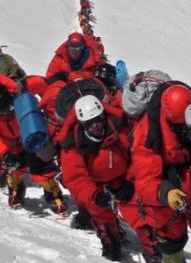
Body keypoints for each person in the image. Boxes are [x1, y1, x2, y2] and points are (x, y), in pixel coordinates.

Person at [0, 56, 67, 213]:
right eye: (3, 111)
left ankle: (53, 195)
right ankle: (15, 191)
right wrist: (4, 154)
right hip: (9, 143)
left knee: (41, 166)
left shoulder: (21, 87)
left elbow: (46, 85)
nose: (8, 112)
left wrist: (50, 106)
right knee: (16, 166)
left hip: (31, 131)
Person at [131, 81, 191, 262]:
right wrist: (166, 192)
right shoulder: (147, 135)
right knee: (171, 241)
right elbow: (145, 182)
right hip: (166, 196)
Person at [60, 96, 135, 261]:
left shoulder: (118, 130)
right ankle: (111, 245)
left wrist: (131, 180)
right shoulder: (73, 144)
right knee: (101, 214)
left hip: (121, 179)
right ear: (81, 123)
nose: (95, 125)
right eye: (89, 122)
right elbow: (76, 178)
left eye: (98, 119)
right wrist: (94, 195)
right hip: (95, 187)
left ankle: (151, 243)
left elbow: (135, 156)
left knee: (137, 207)